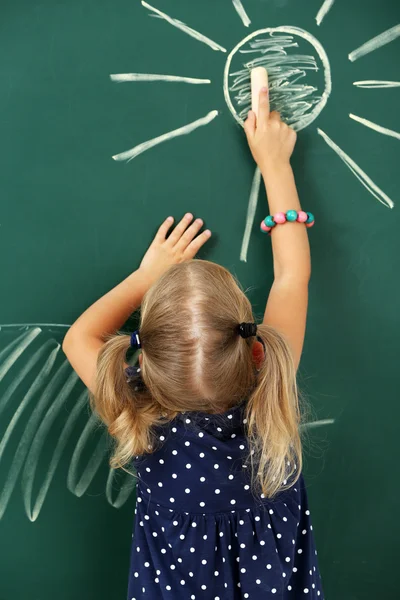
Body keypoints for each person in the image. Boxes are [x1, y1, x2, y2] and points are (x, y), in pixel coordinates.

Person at [63, 88, 323, 599]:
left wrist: (145, 276)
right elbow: (292, 278)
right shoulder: (271, 384)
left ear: (146, 358)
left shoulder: (136, 406)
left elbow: (80, 337)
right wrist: (275, 163)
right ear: (253, 346)